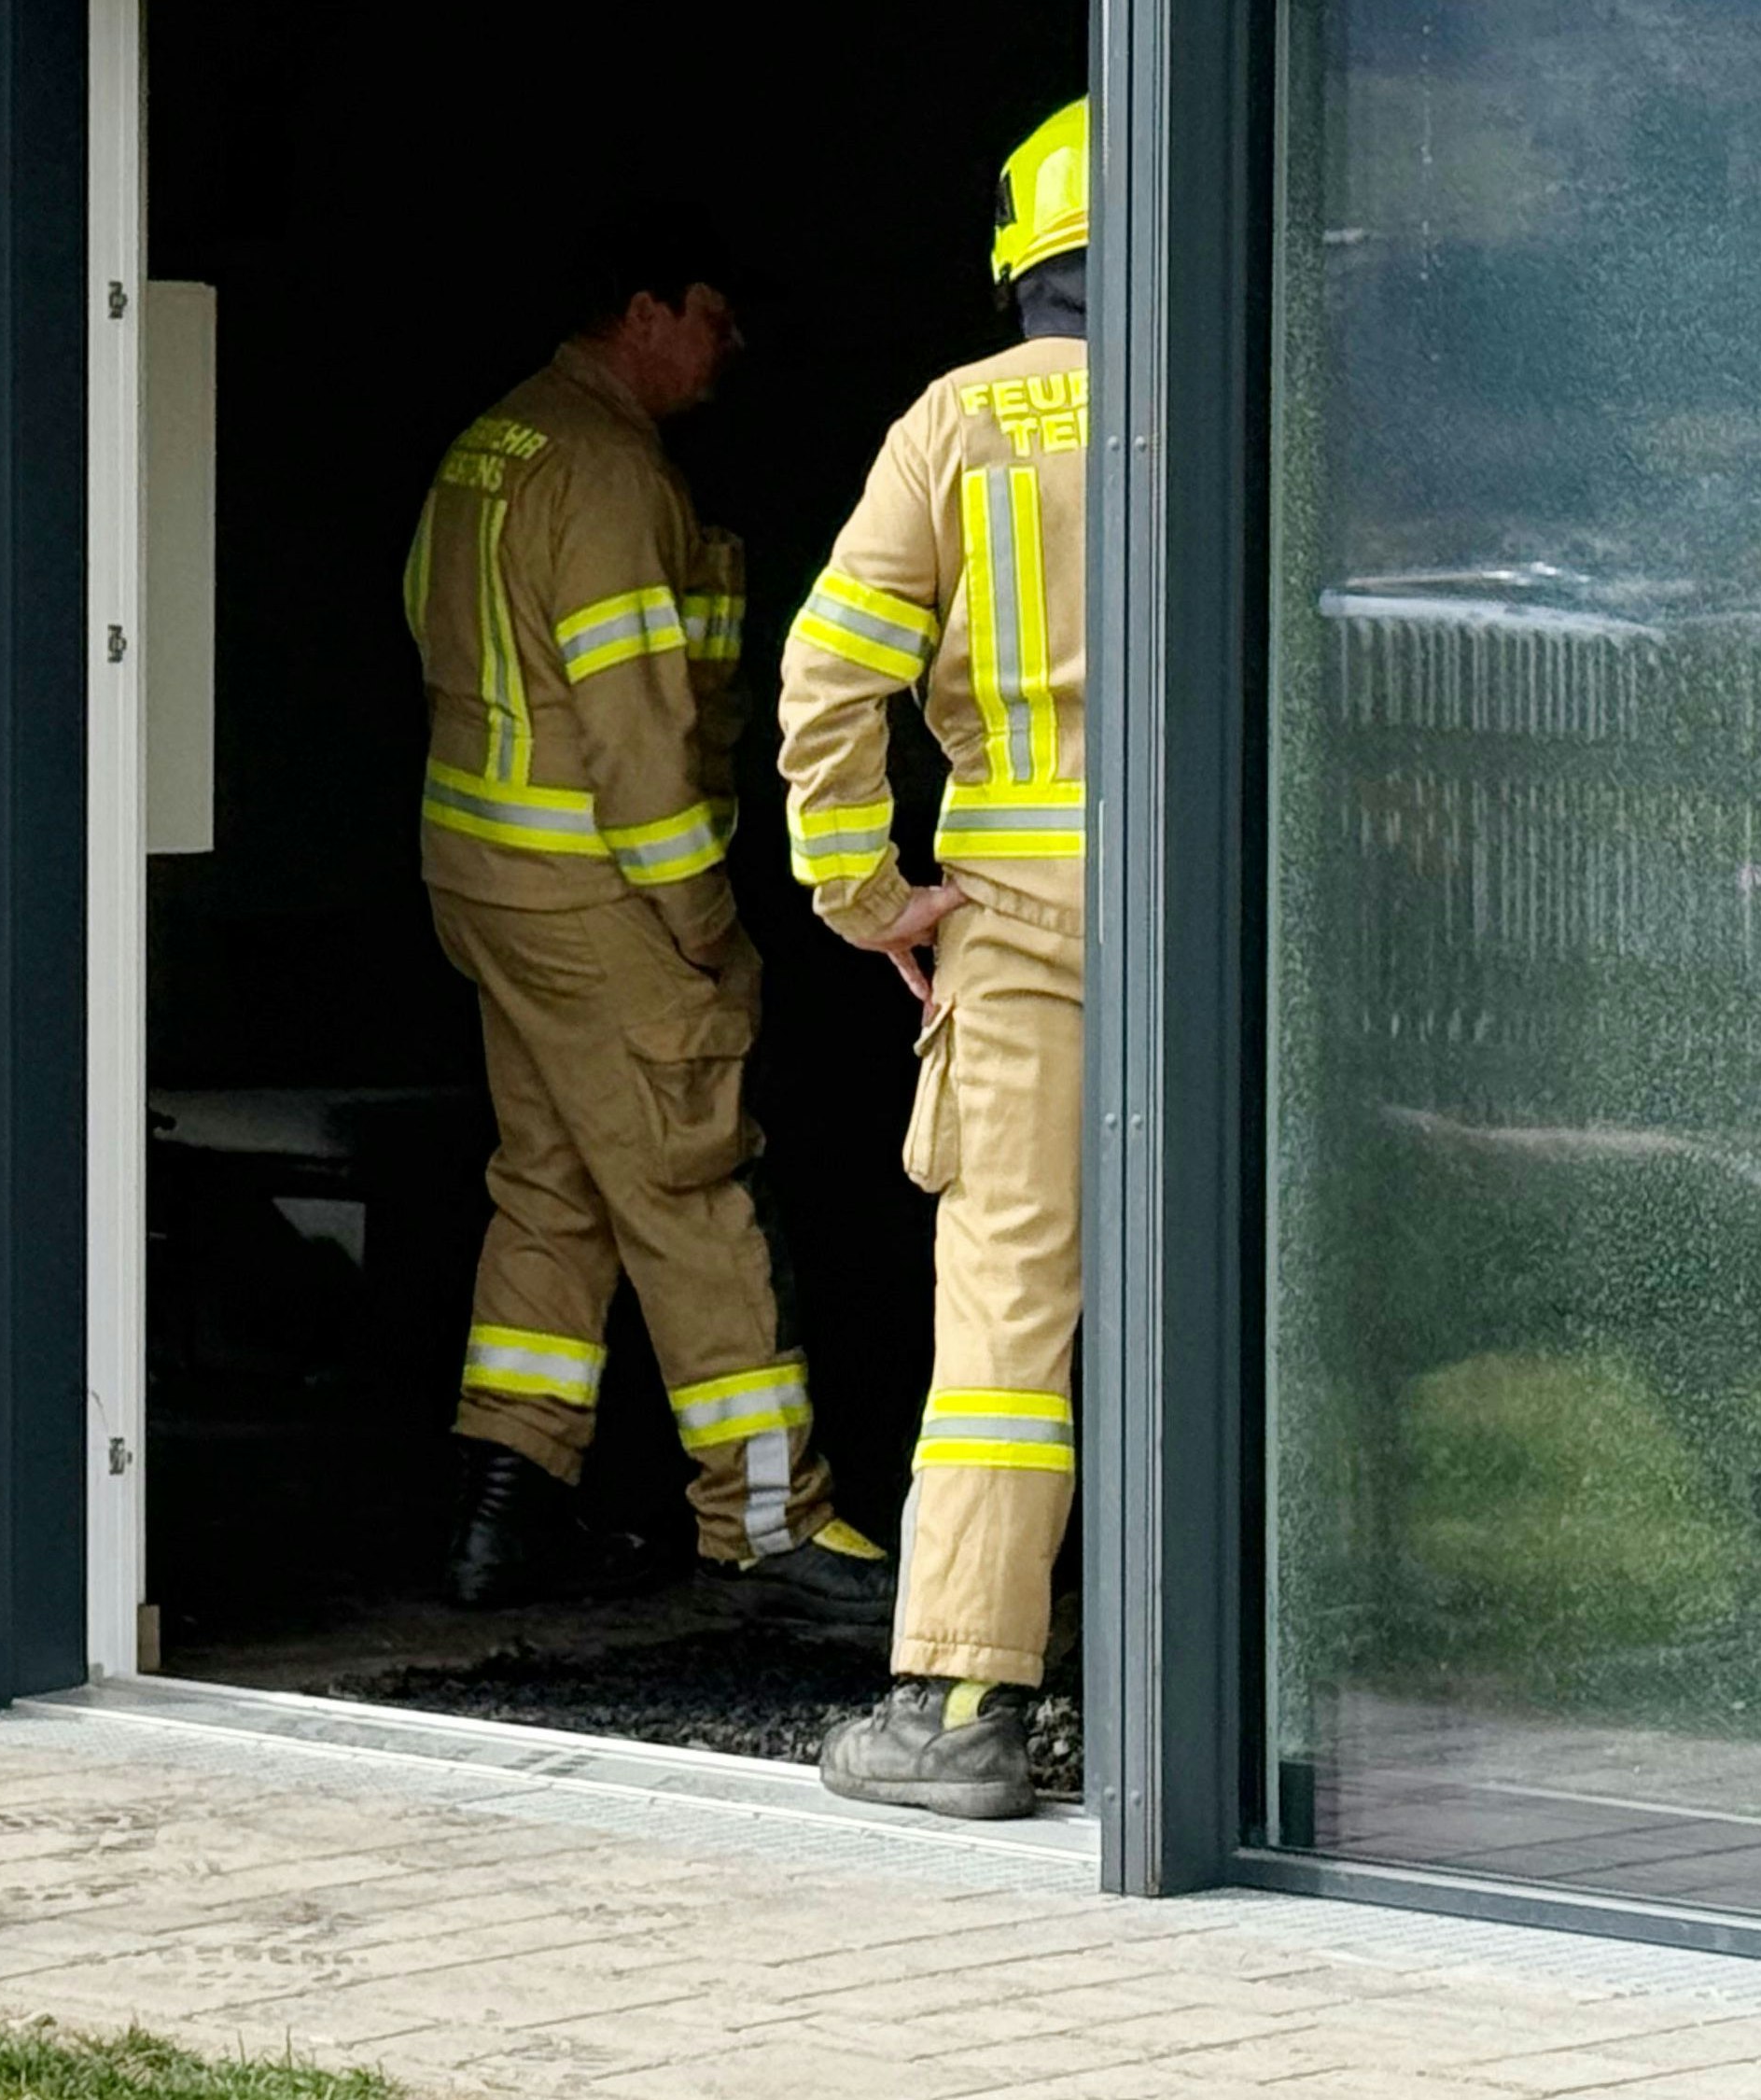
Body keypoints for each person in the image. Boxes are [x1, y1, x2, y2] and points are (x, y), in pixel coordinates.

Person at [403, 233, 896, 1626]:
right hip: (598, 896)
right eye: (713, 315)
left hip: (487, 885)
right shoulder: (613, 476)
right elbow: (638, 736)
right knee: (691, 1184)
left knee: (552, 1185)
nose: (729, 348)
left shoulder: (493, 441)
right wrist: (699, 921)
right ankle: (770, 1527)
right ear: (642, 310)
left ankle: (505, 1510)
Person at [788, 100, 1094, 1818]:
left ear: (1020, 258)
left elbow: (828, 679)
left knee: (1006, 1320)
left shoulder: (954, 424)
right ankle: (1214, 1694)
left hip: (1021, 933)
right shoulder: (1237, 404)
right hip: (1227, 931)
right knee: (1243, 1298)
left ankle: (967, 1701)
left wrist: (865, 892)